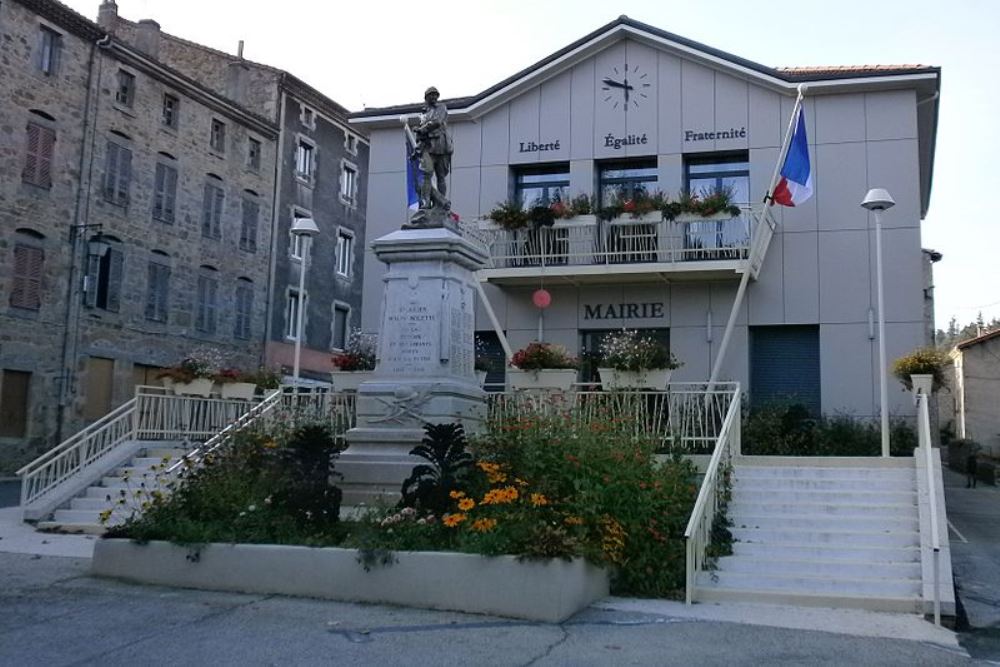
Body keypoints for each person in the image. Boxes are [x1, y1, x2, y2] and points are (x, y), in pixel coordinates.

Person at [413, 86, 452, 212]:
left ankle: (441, 205)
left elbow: (437, 121)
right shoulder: (423, 114)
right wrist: (418, 134)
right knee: (427, 173)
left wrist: (422, 129)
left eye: (436, 95)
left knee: (441, 176)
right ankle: (425, 203)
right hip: (428, 147)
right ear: (426, 97)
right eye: (431, 95)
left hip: (441, 145)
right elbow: (419, 133)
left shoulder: (442, 108)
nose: (434, 97)